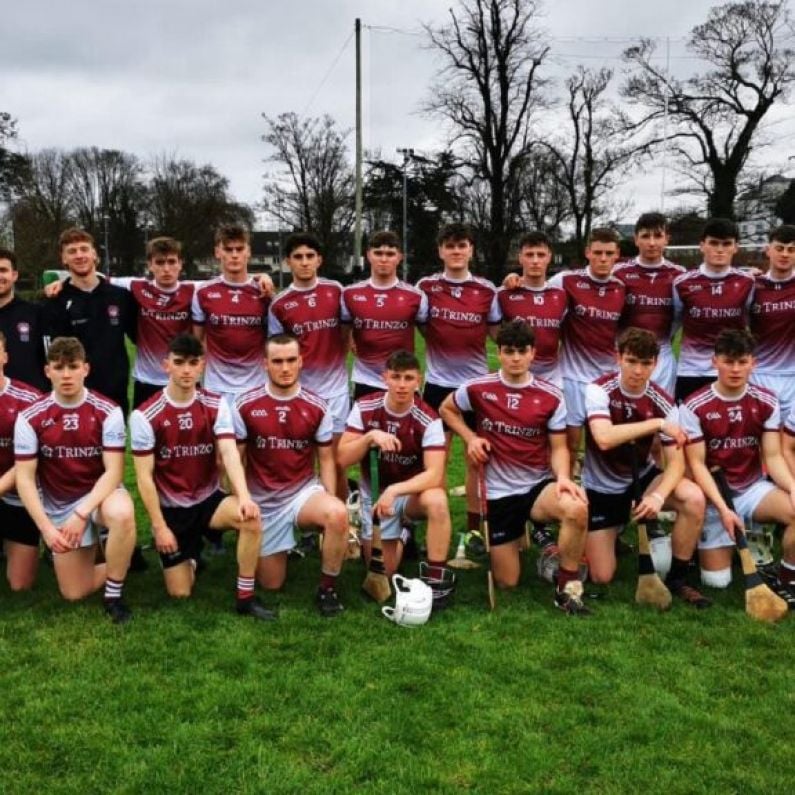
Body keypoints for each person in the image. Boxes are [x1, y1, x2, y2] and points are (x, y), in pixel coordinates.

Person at [440, 321, 591, 615]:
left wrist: (562, 478)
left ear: (533, 353)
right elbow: (447, 409)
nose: (516, 358)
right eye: (509, 351)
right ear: (499, 353)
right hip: (498, 493)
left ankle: (567, 585)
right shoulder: (478, 388)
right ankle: (532, 541)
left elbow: (560, 446)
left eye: (522, 351)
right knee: (508, 581)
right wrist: (470, 438)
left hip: (536, 487)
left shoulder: (551, 396)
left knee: (577, 508)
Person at [130, 334, 273, 619]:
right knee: (180, 593)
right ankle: (191, 557)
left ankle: (245, 597)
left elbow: (230, 453)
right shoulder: (145, 415)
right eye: (179, 362)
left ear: (202, 366)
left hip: (209, 501)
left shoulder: (215, 404)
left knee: (251, 519)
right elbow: (144, 477)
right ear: (166, 365)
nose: (186, 370)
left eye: (193, 363)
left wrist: (244, 496)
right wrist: (159, 528)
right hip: (172, 510)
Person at [582, 327, 710, 606]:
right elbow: (603, 439)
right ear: (618, 358)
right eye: (631, 361)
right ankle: (610, 531)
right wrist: (656, 423)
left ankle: (677, 577)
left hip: (642, 478)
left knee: (693, 497)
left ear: (655, 363)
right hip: (602, 487)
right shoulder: (598, 389)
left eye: (645, 363)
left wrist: (657, 496)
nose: (638, 371)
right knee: (602, 575)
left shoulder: (663, 400)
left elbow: (676, 465)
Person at [14, 337, 137, 622]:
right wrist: (47, 530)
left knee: (122, 512)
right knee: (73, 592)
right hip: (60, 506)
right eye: (59, 367)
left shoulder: (108, 410)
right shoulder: (31, 417)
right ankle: (120, 555)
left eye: (73, 366)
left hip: (99, 498)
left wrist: (82, 513)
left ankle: (114, 594)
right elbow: (25, 480)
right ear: (48, 372)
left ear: (86, 369)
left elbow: (114, 472)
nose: (66, 374)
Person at [230, 333, 349, 617]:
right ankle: (283, 545)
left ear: (301, 362)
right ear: (265, 364)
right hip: (264, 503)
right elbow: (236, 458)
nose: (285, 368)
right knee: (271, 584)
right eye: (278, 361)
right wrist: (239, 500)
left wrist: (330, 497)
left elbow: (325, 459)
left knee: (337, 514)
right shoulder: (244, 404)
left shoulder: (318, 405)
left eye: (291, 360)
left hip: (302, 494)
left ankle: (327, 589)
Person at [680, 328, 795, 597]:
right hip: (714, 498)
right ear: (714, 361)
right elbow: (697, 466)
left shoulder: (766, 401)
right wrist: (723, 509)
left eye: (742, 362)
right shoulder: (695, 406)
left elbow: (774, 456)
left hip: (752, 490)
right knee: (717, 582)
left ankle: (787, 577)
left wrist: (792, 487)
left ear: (753, 363)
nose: (735, 369)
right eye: (728, 361)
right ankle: (711, 540)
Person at [337, 350, 455, 608]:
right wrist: (369, 437)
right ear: (385, 378)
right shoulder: (365, 407)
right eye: (396, 377)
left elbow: (435, 474)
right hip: (375, 492)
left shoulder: (428, 417)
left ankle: (436, 580)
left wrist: (395, 491)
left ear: (418, 381)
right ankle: (404, 533)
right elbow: (342, 458)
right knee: (382, 571)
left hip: (411, 493)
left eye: (409, 378)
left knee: (437, 499)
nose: (402, 385)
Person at [417, 223, 501, 545]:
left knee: (475, 459)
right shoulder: (426, 286)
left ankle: (474, 529)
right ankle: (437, 525)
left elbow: (496, 334)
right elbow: (423, 328)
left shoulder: (485, 290)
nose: (456, 251)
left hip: (476, 387)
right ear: (440, 251)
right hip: (438, 384)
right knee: (435, 458)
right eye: (449, 246)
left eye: (461, 245)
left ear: (471, 250)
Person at [268, 233, 350, 503]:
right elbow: (277, 350)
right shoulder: (279, 304)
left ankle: (342, 521)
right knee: (301, 464)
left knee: (337, 461)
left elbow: (348, 331)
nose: (304, 262)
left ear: (319, 260)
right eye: (298, 257)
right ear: (287, 262)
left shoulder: (336, 290)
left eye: (310, 256)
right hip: (301, 395)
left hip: (336, 392)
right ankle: (303, 518)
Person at [40, 228, 137, 416]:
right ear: (64, 259)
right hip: (74, 397)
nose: (79, 255)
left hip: (114, 394)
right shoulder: (55, 301)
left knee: (113, 446)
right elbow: (51, 353)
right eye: (72, 251)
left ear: (94, 254)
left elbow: (139, 338)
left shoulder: (121, 297)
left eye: (84, 249)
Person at [549, 228, 625, 464]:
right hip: (572, 378)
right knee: (570, 442)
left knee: (604, 443)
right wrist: (515, 279)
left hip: (607, 380)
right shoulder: (566, 280)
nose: (603, 258)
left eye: (609, 253)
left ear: (617, 255)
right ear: (588, 253)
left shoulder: (621, 288)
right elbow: (536, 288)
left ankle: (596, 491)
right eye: (598, 252)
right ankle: (568, 488)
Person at [672, 218, 755, 402]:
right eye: (714, 243)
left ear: (736, 247)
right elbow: (672, 327)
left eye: (726, 244)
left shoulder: (748, 283)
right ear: (702, 245)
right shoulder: (682, 283)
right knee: (689, 429)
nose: (720, 249)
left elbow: (754, 325)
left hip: (732, 369)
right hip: (692, 370)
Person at [341, 231, 427, 400]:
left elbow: (432, 337)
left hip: (402, 381)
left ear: (399, 257)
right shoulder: (350, 294)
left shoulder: (416, 296)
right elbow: (342, 335)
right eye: (378, 253)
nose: (384, 259)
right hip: (365, 380)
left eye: (390, 254)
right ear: (368, 255)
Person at [192, 224, 270, 403]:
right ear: (218, 252)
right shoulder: (203, 292)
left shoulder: (264, 292)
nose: (234, 254)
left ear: (248, 251)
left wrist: (263, 277)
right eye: (228, 249)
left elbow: (272, 342)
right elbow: (197, 342)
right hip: (216, 388)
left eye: (239, 249)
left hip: (256, 387)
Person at [613, 213, 685, 396]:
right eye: (645, 236)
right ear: (636, 239)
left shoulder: (680, 275)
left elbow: (681, 315)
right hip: (626, 357)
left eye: (658, 236)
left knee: (661, 416)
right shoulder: (618, 273)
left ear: (667, 239)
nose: (652, 243)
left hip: (662, 358)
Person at [497, 231, 567, 386]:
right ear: (520, 258)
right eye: (529, 255)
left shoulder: (561, 296)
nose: (535, 261)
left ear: (549, 257)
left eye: (541, 255)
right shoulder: (503, 294)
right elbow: (492, 329)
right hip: (516, 376)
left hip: (552, 378)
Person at [0, 332, 42, 590]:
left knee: (20, 584)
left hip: (17, 496)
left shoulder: (29, 401)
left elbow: (30, 461)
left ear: (4, 356)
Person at [749, 224, 795, 418]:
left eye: (791, 250)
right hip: (758, 375)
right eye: (779, 248)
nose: (785, 254)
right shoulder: (751, 285)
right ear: (768, 250)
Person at [0, 247, 48, 391]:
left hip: (29, 404)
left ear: (14, 275)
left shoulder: (35, 313)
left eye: (3, 270)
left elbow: (49, 359)